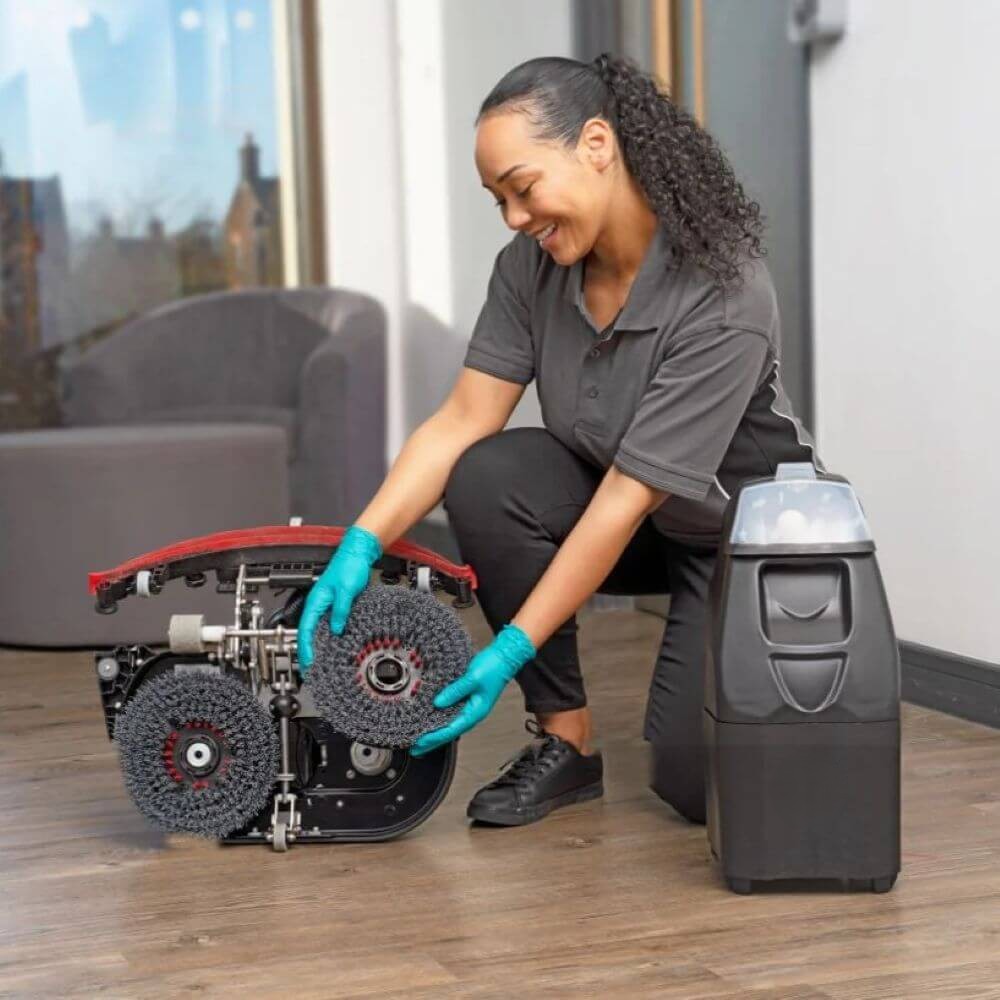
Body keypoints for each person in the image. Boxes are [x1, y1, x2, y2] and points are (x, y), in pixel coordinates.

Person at [297, 52, 824, 828]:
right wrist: (361, 542)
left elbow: (623, 500)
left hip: (738, 540)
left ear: (597, 145)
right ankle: (565, 742)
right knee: (488, 473)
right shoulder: (530, 269)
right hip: (640, 518)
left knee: (695, 787)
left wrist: (510, 648)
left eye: (523, 188)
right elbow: (463, 419)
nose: (514, 217)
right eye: (498, 200)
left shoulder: (723, 290)